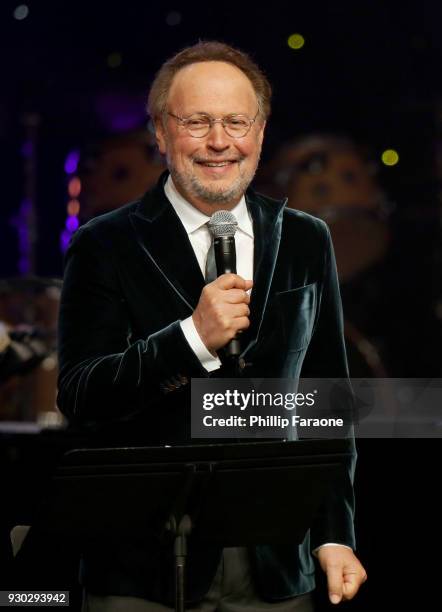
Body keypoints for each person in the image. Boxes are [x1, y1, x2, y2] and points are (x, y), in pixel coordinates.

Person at [57, 41, 367, 612]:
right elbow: (81, 396)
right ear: (160, 132)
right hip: (143, 569)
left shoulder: (305, 239)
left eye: (235, 122)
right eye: (197, 122)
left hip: (276, 563)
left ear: (261, 131)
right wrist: (190, 339)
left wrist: (333, 532)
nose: (219, 141)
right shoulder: (104, 244)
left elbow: (328, 398)